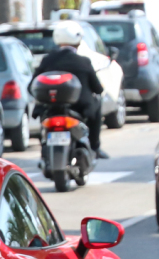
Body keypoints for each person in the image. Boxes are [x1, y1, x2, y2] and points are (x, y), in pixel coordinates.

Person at [33, 21, 109, 159]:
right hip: (80, 108)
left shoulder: (47, 60)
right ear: (78, 40)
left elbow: (32, 85)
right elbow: (97, 89)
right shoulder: (83, 61)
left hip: (49, 108)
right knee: (97, 101)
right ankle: (95, 146)